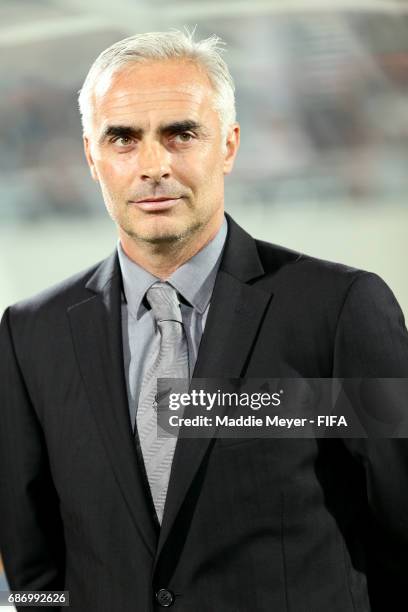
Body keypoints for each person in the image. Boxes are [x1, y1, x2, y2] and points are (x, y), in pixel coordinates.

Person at [0, 29, 407, 612]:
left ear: (229, 145)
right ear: (91, 156)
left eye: (180, 133)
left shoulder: (342, 310)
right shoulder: (28, 334)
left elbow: (399, 528)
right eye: (123, 138)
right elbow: (34, 572)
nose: (153, 165)